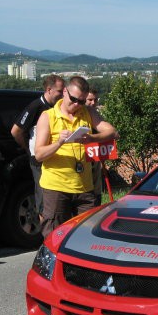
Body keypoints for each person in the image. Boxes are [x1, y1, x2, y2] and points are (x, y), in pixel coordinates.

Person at [34, 76, 117, 237]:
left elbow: (113, 132)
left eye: (81, 101)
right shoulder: (48, 116)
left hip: (84, 187)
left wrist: (92, 138)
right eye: (73, 99)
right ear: (65, 91)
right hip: (56, 187)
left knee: (87, 236)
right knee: (56, 237)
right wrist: (58, 143)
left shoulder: (87, 112)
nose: (77, 105)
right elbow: (39, 154)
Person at [10, 75, 65, 221]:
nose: (63, 94)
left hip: (55, 157)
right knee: (44, 199)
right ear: (49, 90)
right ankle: (44, 237)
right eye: (60, 91)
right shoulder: (35, 107)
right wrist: (28, 149)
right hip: (39, 160)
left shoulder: (59, 108)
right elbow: (16, 131)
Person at [85, 87, 104, 206]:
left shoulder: (97, 117)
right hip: (83, 161)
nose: (93, 103)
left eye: (95, 100)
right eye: (90, 100)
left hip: (95, 160)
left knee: (96, 191)